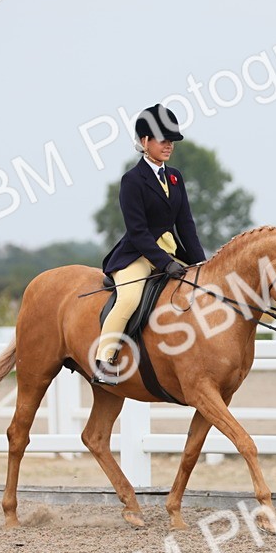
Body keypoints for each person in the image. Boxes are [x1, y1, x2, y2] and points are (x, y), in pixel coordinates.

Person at [93, 103, 207, 384]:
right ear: (144, 142)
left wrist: (201, 264)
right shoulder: (132, 181)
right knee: (129, 299)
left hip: (170, 254)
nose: (169, 145)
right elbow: (138, 231)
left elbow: (186, 225)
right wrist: (165, 263)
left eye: (171, 141)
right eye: (162, 140)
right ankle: (104, 359)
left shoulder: (175, 177)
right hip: (137, 256)